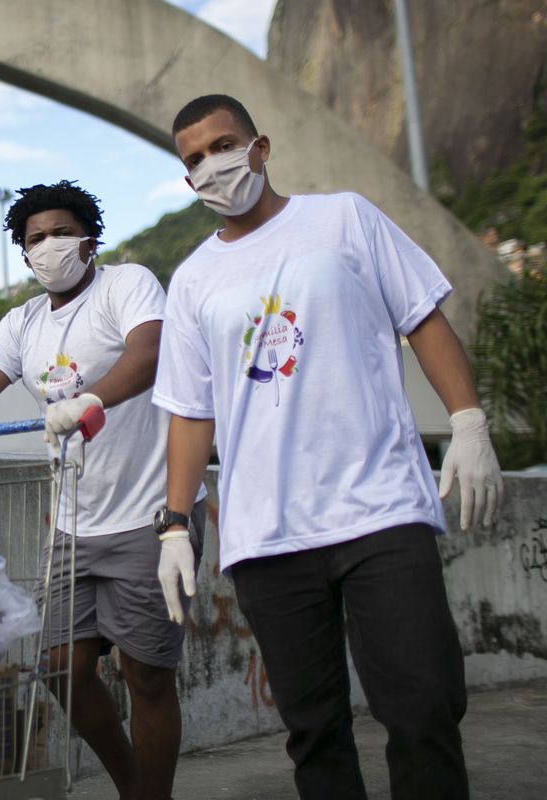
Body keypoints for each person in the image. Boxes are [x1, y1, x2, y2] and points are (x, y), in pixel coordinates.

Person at [151, 94, 503, 800]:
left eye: (224, 145)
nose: (212, 165)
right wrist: (175, 523)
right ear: (186, 181)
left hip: (381, 512)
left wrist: (469, 422)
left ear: (262, 145)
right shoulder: (192, 281)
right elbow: (192, 413)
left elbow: (423, 318)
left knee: (423, 708)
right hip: (268, 537)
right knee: (315, 735)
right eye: (194, 159)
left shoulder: (343, 218)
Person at [0, 180, 205, 800]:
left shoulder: (127, 284)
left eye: (61, 233)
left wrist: (94, 397)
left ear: (89, 236)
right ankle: (133, 787)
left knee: (144, 673)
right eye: (35, 239)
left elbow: (150, 349)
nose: (49, 247)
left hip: (148, 511)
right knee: (61, 669)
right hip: (74, 523)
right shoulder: (23, 322)